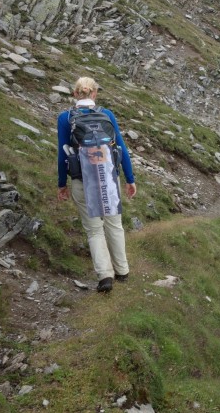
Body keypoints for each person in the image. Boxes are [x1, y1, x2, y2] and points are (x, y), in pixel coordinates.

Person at [57, 77, 137, 293]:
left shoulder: (65, 118)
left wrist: (61, 183)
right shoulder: (107, 115)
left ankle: (105, 276)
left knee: (94, 229)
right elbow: (121, 147)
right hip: (109, 178)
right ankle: (122, 271)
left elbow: (62, 151)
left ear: (75, 94)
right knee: (114, 224)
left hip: (81, 179)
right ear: (94, 94)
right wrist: (130, 179)